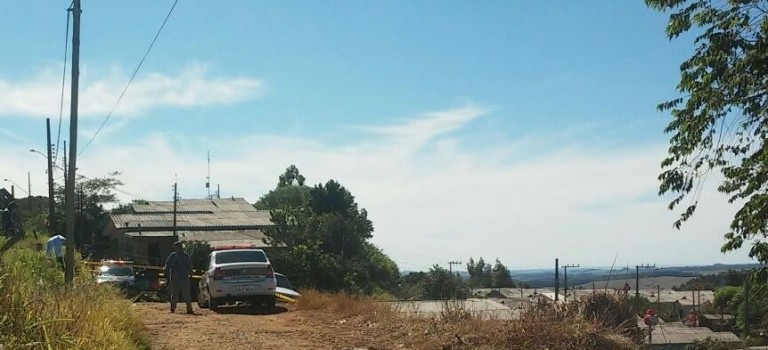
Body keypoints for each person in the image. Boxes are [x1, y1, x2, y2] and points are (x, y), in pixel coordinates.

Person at [164, 241, 194, 314]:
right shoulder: (173, 256)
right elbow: (167, 264)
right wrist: (165, 269)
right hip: (175, 277)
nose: (178, 249)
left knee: (186, 293)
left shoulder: (186, 256)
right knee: (174, 293)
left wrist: (191, 273)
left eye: (179, 247)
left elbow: (190, 266)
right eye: (177, 247)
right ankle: (173, 308)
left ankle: (189, 308)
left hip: (184, 277)